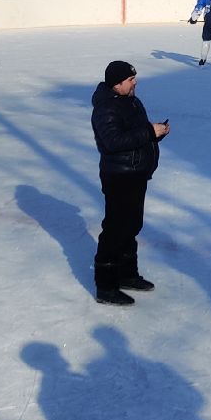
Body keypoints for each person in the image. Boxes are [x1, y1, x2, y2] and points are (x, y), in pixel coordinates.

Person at [91, 61, 170, 306]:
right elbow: (113, 141)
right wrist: (149, 133)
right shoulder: (105, 109)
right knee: (115, 230)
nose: (135, 82)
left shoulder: (132, 102)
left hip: (136, 173)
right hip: (119, 177)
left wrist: (156, 133)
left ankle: (126, 274)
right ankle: (106, 286)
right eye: (130, 80)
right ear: (117, 83)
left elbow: (136, 134)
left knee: (132, 225)